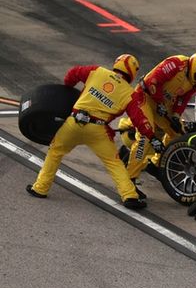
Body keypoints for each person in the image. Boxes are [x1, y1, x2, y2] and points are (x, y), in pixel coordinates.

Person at [27, 55, 150, 209]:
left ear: (116, 65)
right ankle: (130, 196)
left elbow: (73, 73)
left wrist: (68, 87)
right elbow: (139, 119)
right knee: (114, 163)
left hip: (74, 123)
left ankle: (40, 188)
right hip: (98, 130)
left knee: (55, 151)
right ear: (132, 72)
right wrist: (149, 133)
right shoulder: (130, 93)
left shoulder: (97, 71)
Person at [126, 51, 196, 185]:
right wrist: (160, 103)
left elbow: (183, 99)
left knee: (178, 134)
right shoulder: (176, 64)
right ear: (195, 67)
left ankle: (156, 164)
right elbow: (153, 82)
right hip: (146, 97)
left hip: (163, 106)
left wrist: (176, 115)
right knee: (145, 137)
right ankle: (129, 180)